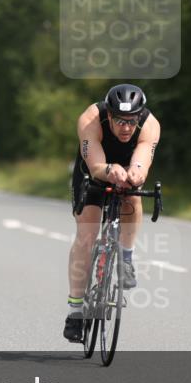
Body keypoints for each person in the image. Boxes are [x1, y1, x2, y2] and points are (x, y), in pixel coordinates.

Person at [64, 84, 160, 342]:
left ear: (139, 117)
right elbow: (95, 166)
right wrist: (110, 170)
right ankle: (75, 311)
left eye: (131, 121)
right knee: (86, 236)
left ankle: (126, 258)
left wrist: (135, 174)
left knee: (133, 195)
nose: (126, 127)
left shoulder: (150, 125)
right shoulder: (90, 119)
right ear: (108, 116)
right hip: (92, 174)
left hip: (125, 172)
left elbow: (141, 162)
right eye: (119, 121)